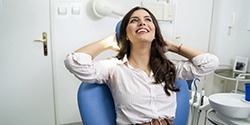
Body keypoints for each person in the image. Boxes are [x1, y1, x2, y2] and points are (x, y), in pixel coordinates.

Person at [64, 6, 219, 125]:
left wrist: (173, 46)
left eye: (147, 19)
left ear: (154, 32)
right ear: (126, 34)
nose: (142, 22)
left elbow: (209, 63)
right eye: (134, 20)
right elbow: (75, 62)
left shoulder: (169, 68)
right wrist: (108, 42)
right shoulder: (113, 67)